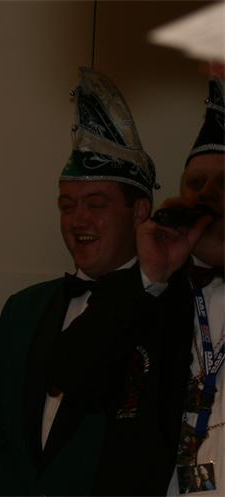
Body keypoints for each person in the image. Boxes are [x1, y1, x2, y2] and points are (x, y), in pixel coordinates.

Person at [0, 67, 174, 495]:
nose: (78, 220)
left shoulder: (167, 308)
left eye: (96, 204)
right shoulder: (24, 308)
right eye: (67, 205)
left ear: (139, 212)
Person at [133, 76, 223, 496]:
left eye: (224, 183)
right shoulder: (154, 293)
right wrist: (151, 277)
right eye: (196, 184)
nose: (208, 196)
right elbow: (75, 375)